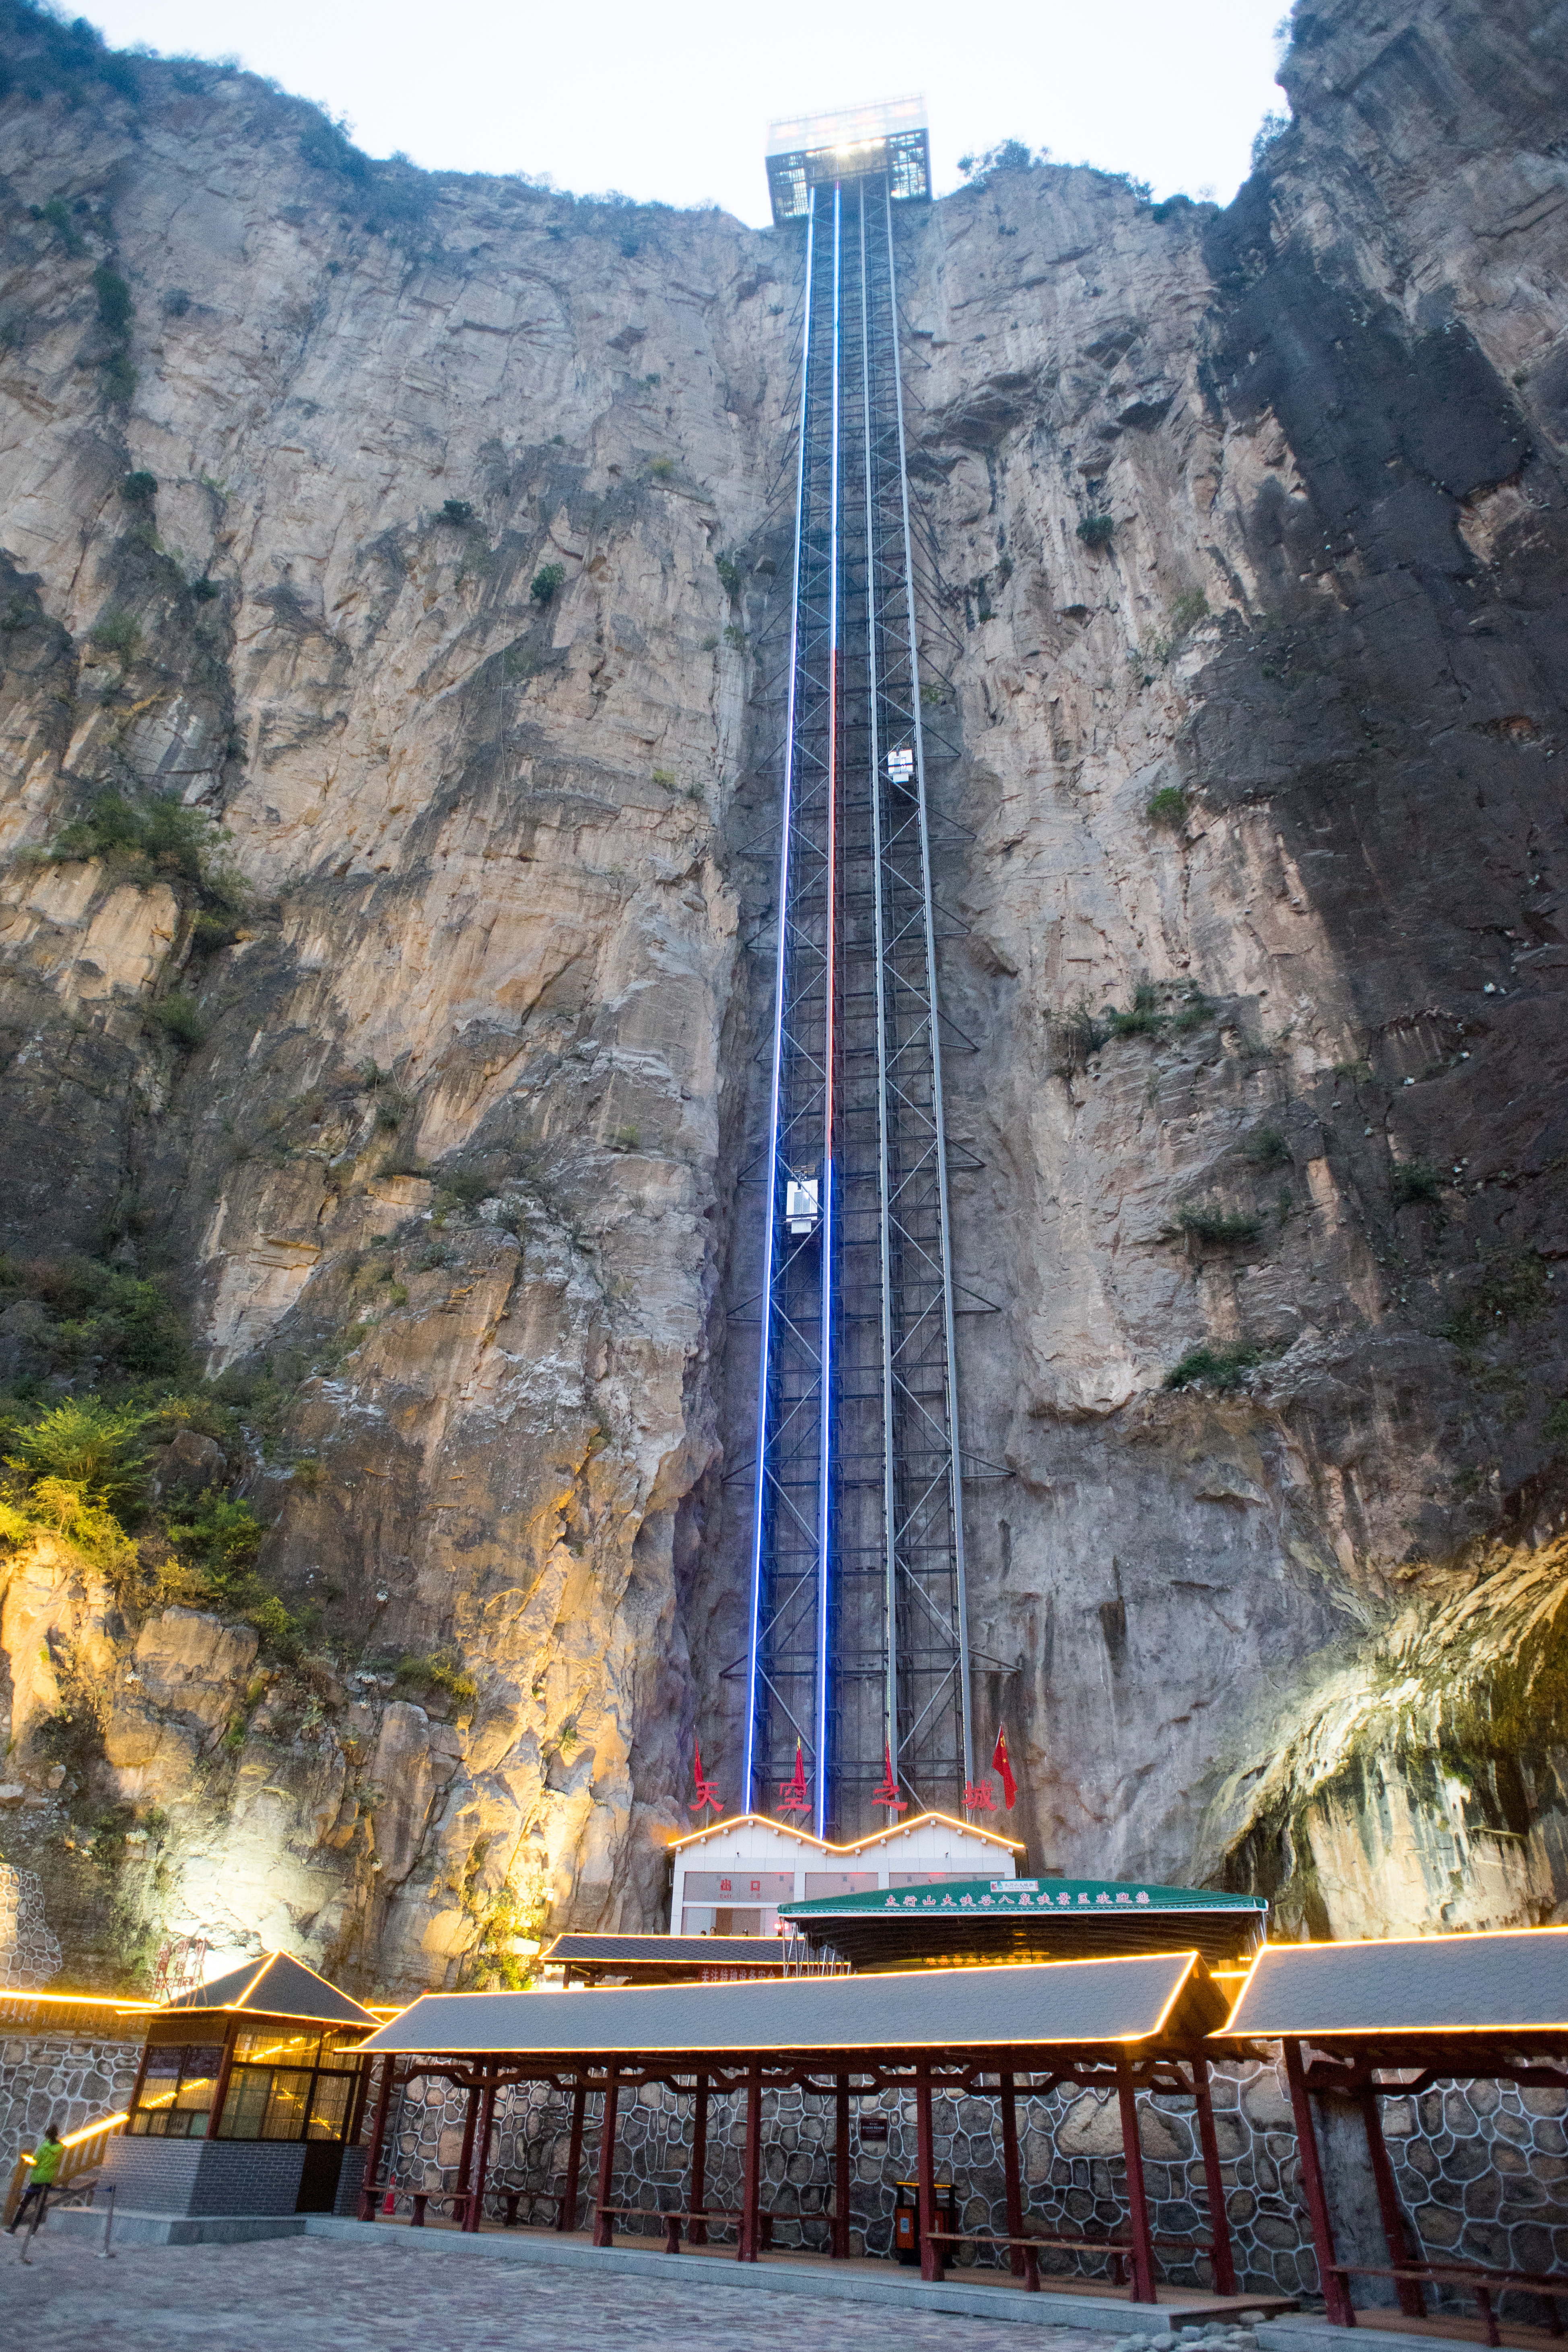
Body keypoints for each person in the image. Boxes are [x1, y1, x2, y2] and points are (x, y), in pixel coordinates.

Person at [8, 2118, 64, 2234]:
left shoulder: (44, 2146)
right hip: (48, 2179)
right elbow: (57, 2163)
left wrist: (27, 2160)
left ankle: (13, 2229)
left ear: (48, 2135)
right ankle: (33, 2232)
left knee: (24, 2204)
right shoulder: (61, 2148)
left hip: (37, 2179)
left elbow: (36, 2162)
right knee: (40, 2206)